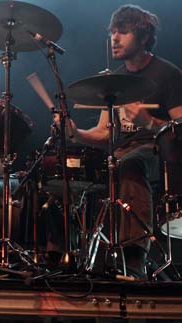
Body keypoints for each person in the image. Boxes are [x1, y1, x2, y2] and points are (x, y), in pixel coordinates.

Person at [67, 5, 182, 278]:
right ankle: (69, 258)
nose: (114, 38)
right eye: (112, 32)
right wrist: (75, 134)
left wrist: (149, 122)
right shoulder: (113, 81)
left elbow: (180, 130)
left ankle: (133, 259)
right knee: (63, 173)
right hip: (119, 154)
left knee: (131, 163)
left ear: (143, 37)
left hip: (157, 155)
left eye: (123, 32)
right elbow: (104, 134)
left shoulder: (168, 75)